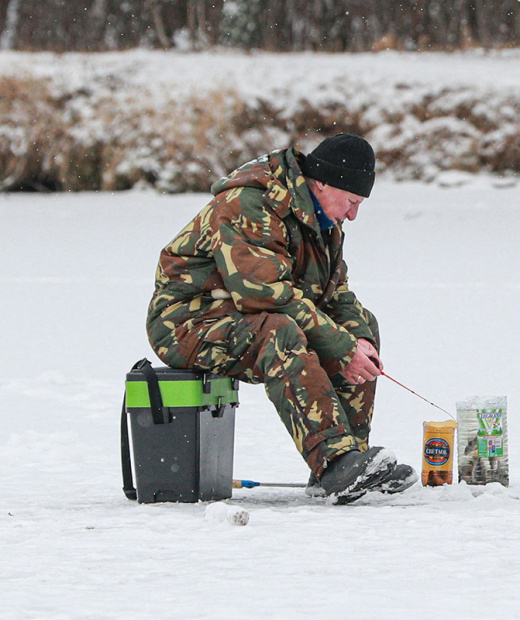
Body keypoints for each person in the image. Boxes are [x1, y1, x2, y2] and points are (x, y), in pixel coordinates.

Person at [146, 134, 415, 504]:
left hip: (246, 314)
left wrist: (358, 340)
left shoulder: (323, 221)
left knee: (361, 328)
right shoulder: (249, 204)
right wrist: (340, 344)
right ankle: (335, 461)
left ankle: (352, 460)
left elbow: (336, 294)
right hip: (187, 323)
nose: (353, 214)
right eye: (352, 202)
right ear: (323, 182)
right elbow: (264, 294)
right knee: (279, 331)